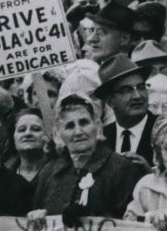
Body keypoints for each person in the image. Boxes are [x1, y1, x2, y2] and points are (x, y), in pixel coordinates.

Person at [28, 93, 146, 222]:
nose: (78, 132)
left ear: (98, 126)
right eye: (70, 126)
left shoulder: (122, 168)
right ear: (58, 134)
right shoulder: (48, 172)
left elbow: (133, 226)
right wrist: (37, 216)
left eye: (84, 123)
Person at [95, 54, 157, 166]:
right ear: (109, 100)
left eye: (141, 87)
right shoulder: (102, 138)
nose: (137, 96)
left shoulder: (162, 129)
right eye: (126, 90)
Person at [12, 107, 52, 184]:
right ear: (14, 136)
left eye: (35, 129)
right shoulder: (3, 174)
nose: (27, 133)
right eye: (21, 130)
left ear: (47, 136)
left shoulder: (58, 173)